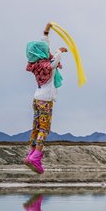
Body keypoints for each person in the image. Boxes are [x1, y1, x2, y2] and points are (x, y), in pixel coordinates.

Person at [24, 22, 68, 174]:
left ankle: (31, 153)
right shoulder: (46, 65)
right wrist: (60, 51)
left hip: (37, 99)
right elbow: (54, 62)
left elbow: (43, 45)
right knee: (44, 129)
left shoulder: (36, 63)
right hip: (45, 101)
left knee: (36, 127)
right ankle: (36, 157)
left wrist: (47, 30)